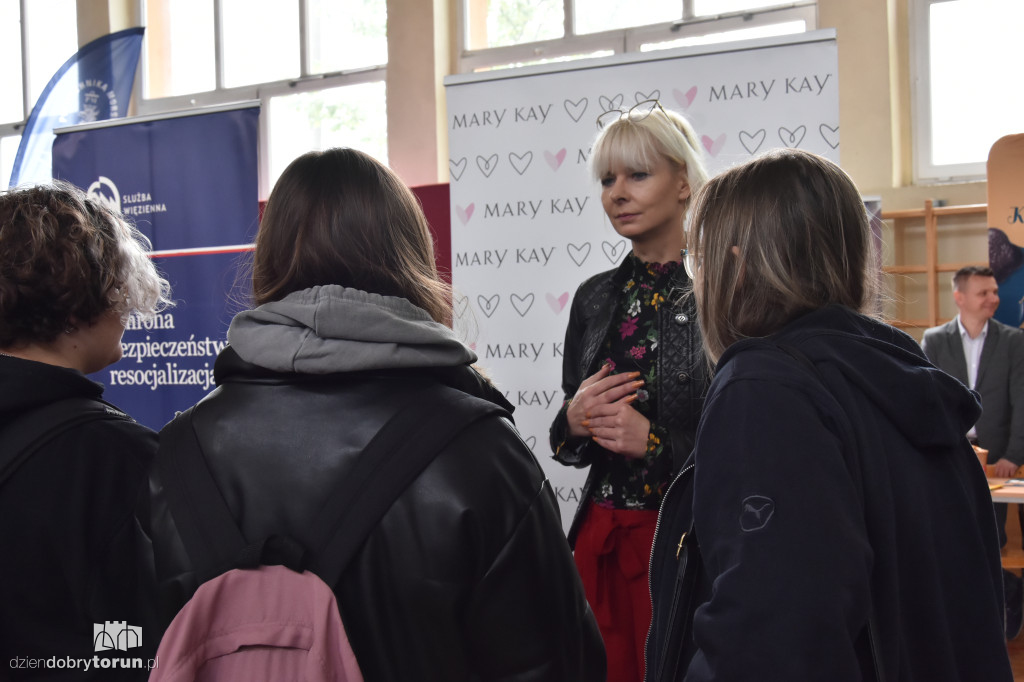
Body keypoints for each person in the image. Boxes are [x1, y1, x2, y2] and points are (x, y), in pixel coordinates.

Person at [149, 148, 606, 681]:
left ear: (269, 260)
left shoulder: (176, 454)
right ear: (410, 258)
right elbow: (554, 665)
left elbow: (127, 649)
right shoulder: (480, 453)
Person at [645, 149, 1012, 681]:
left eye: (695, 260)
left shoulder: (765, 393)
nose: (694, 281)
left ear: (737, 264)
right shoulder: (898, 375)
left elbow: (770, 639)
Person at [549, 100, 710, 682]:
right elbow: (568, 441)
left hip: (694, 547)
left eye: (638, 175)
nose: (617, 192)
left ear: (685, 183)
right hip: (601, 537)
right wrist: (573, 420)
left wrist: (657, 442)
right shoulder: (593, 299)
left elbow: (756, 443)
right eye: (607, 179)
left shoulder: (726, 294)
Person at [0, 182, 171, 679]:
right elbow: (135, 642)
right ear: (76, 302)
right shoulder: (115, 456)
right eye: (118, 287)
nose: (127, 306)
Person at [921, 265, 1024, 637]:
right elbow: (927, 401)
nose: (994, 299)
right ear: (960, 297)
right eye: (984, 293)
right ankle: (968, 618)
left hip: (1002, 461)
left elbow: (1021, 403)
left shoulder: (1014, 341)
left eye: (995, 291)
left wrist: (1013, 454)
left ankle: (1005, 602)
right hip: (952, 455)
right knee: (957, 537)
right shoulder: (934, 340)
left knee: (995, 538)